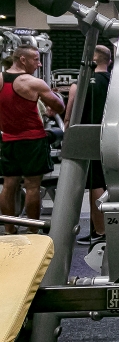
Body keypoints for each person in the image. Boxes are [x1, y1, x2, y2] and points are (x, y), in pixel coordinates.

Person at [0, 44, 65, 234]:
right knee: (32, 186)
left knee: (8, 185)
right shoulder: (33, 83)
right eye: (36, 59)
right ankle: (33, 230)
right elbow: (59, 107)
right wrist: (51, 105)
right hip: (33, 140)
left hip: (8, 139)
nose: (39, 64)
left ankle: (9, 230)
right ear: (23, 60)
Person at [65, 45, 112, 246]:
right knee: (110, 182)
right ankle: (100, 228)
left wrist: (68, 139)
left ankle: (100, 230)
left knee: (95, 184)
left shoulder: (80, 84)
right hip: (113, 138)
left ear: (90, 61)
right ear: (109, 61)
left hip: (88, 139)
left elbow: (69, 117)